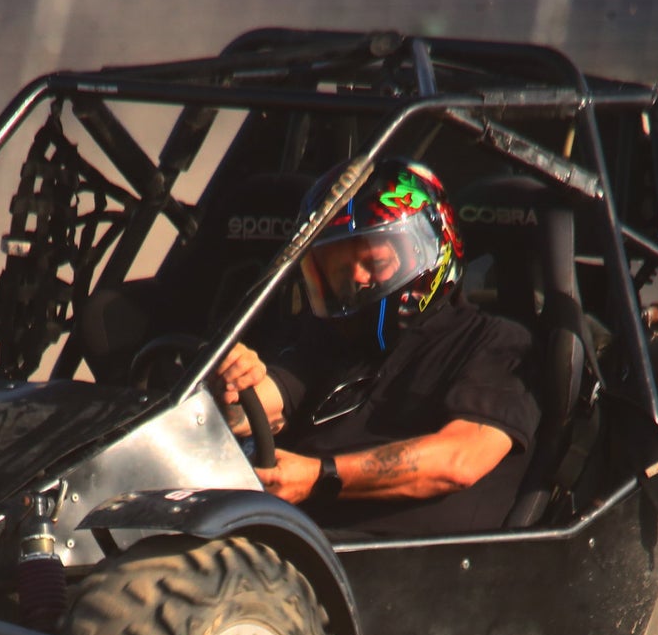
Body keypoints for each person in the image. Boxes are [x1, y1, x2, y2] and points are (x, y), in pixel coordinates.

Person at [214, 158, 539, 537]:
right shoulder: (328, 337)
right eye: (337, 268)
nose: (356, 280)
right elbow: (259, 406)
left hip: (403, 569)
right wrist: (230, 388)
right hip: (289, 544)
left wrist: (320, 477)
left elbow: (460, 459)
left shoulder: (495, 342)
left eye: (375, 261)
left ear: (426, 249)